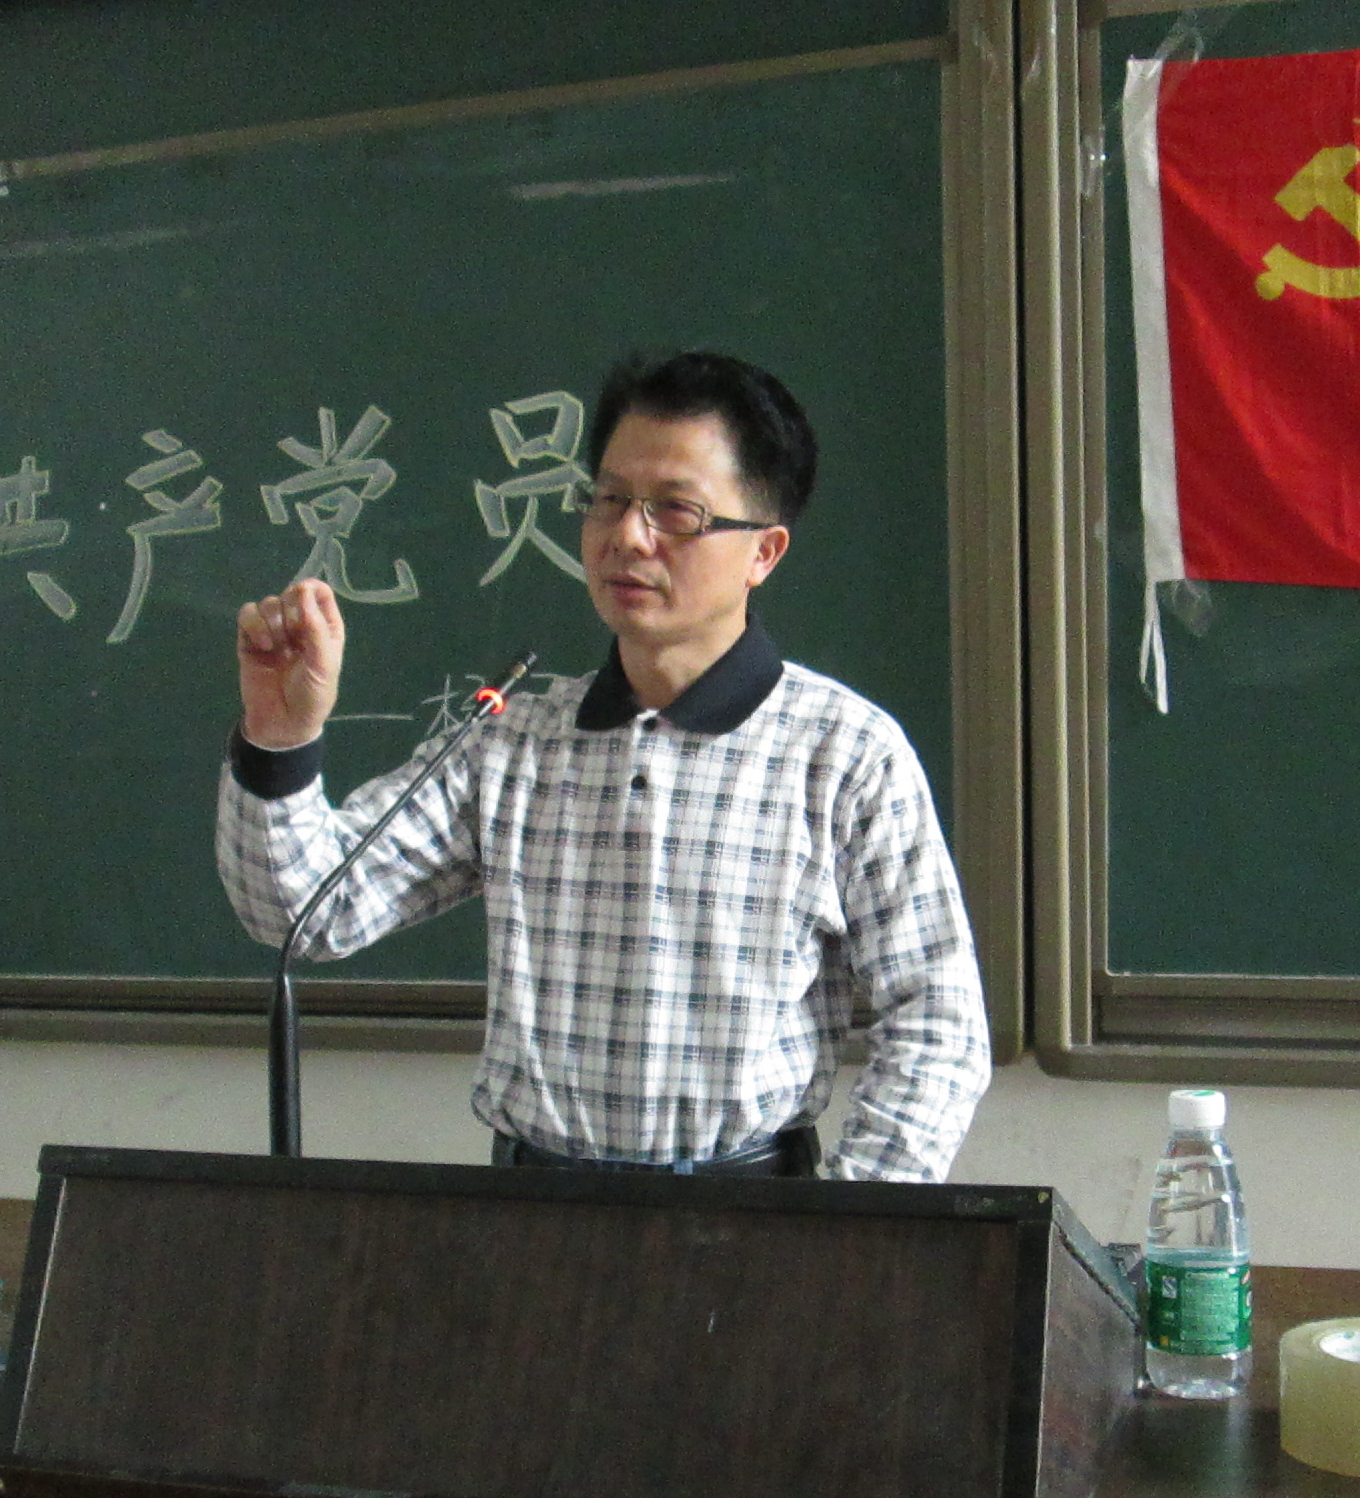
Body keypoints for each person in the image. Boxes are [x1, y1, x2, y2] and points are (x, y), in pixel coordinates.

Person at [217, 351, 989, 1179]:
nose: (627, 536)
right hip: (529, 1214)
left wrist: (839, 1227)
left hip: (752, 1214)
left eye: (676, 511)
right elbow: (303, 913)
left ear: (763, 552)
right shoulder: (513, 740)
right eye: (610, 500)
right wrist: (281, 736)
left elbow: (939, 1023)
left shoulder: (844, 753)